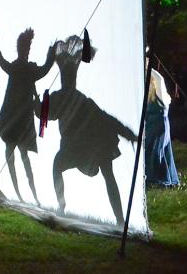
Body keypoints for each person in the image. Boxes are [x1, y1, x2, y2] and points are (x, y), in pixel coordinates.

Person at [44, 36, 138, 225]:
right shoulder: (61, 98)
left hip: (90, 147)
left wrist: (128, 133)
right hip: (77, 149)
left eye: (70, 76)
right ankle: (62, 207)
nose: (68, 79)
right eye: (67, 76)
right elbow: (45, 115)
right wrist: (38, 103)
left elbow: (106, 119)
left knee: (106, 174)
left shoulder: (75, 100)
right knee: (60, 165)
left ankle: (120, 220)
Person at [0, 28, 56, 205]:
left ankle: (27, 194)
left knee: (17, 156)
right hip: (17, 118)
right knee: (19, 156)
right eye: (26, 47)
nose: (27, 50)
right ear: (23, 49)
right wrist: (51, 56)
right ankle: (26, 194)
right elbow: (44, 69)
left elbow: (3, 63)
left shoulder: (19, 67)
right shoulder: (25, 68)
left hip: (15, 118)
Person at [145, 68, 179, 187]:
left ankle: (158, 178)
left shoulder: (161, 95)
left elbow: (159, 79)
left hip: (159, 127)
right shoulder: (148, 97)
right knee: (152, 151)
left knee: (156, 150)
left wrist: (148, 67)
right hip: (150, 126)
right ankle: (151, 177)